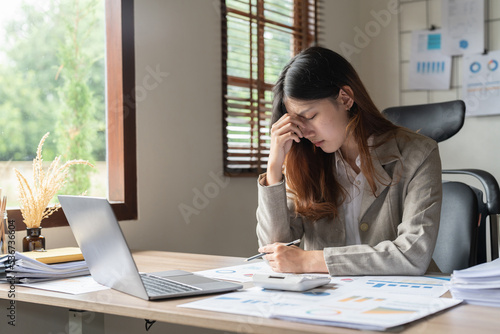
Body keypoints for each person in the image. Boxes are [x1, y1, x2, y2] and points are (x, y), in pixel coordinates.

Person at [256, 46, 442, 276]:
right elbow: (276, 253)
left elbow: (413, 255)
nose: (304, 132)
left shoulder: (420, 153)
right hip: (331, 300)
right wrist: (274, 168)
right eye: (297, 122)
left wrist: (310, 261)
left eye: (311, 116)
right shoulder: (305, 159)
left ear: (345, 98)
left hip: (405, 298)